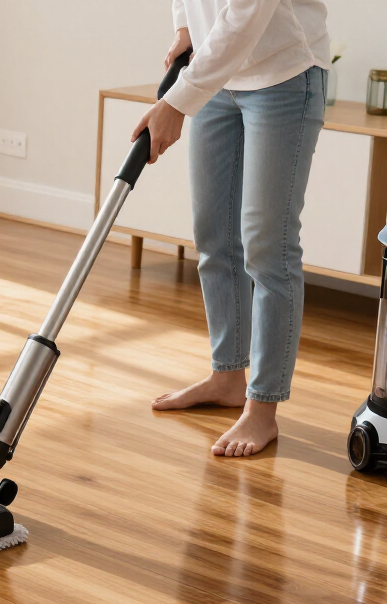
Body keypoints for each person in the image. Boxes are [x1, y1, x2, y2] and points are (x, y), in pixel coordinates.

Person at [133, 0, 331, 457]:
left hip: (282, 73)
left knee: (268, 247)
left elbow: (246, 13)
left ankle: (262, 408)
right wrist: (185, 26)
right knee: (215, 236)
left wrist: (177, 100)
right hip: (215, 74)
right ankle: (227, 378)